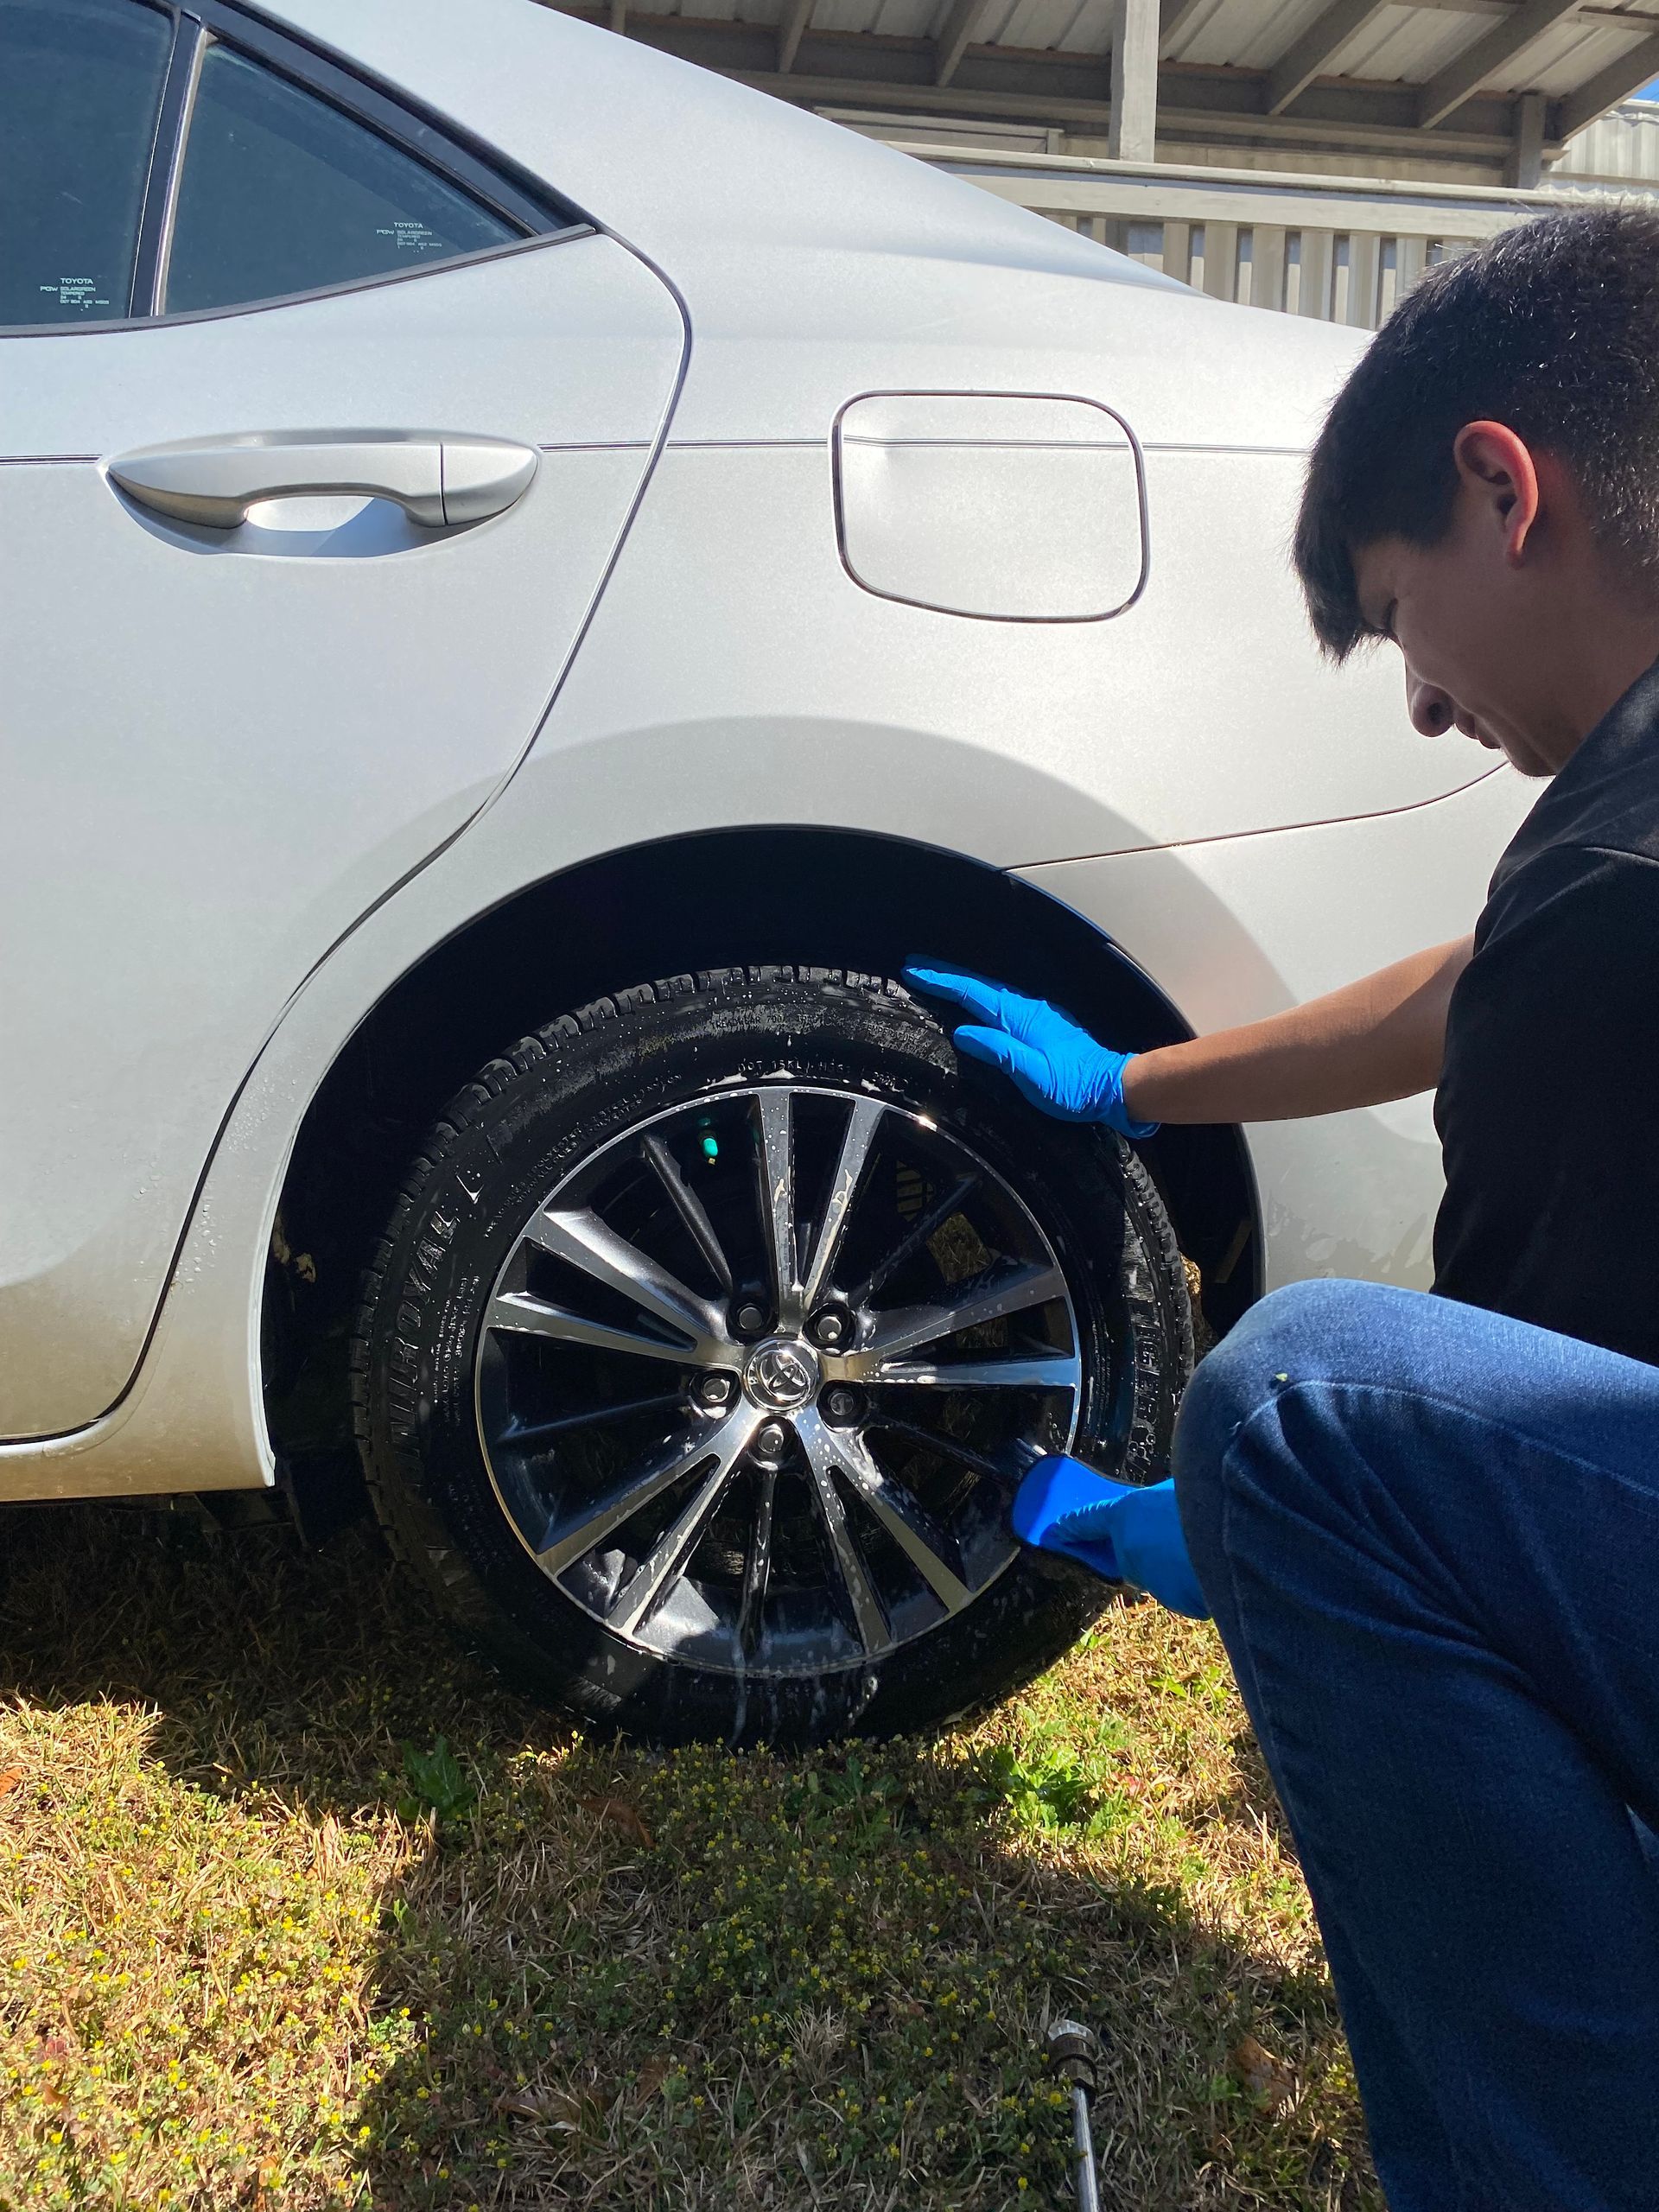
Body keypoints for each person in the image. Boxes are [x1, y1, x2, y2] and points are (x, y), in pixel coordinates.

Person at [907, 206, 1659, 2212]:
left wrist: (1308, 1500)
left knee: (1312, 1408)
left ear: (1506, 491)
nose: (1420, 705)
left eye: (1400, 613)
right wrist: (1135, 1082)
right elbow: (1478, 975)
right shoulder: (1615, 832)